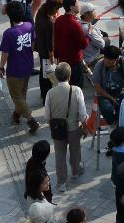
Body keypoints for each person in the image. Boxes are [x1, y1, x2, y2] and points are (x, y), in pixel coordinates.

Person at [43, 62, 87, 191]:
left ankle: (61, 182)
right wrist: (84, 125)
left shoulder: (50, 93)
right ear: (70, 75)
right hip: (74, 128)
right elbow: (83, 113)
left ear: (56, 76)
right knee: (75, 150)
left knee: (60, 154)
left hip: (58, 129)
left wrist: (51, 123)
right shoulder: (76, 90)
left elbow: (47, 115)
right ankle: (75, 171)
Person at [0, 0, 40, 133]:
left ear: (10, 16)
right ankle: (17, 114)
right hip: (28, 66)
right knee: (22, 93)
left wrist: (1, 67)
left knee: (16, 95)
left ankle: (30, 119)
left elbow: (5, 54)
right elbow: (32, 45)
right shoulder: (29, 26)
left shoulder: (9, 33)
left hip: (15, 70)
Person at [53, 0, 88, 88]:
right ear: (72, 7)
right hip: (75, 62)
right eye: (78, 3)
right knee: (76, 88)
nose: (80, 5)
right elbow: (83, 45)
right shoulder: (75, 24)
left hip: (62, 61)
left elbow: (56, 40)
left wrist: (56, 55)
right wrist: (88, 34)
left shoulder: (58, 20)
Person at [93, 45, 124, 124]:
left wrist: (122, 97)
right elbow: (97, 87)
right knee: (107, 109)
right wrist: (111, 98)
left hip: (121, 92)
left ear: (117, 59)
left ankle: (121, 123)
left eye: (110, 59)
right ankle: (112, 123)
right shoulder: (99, 65)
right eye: (105, 58)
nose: (106, 61)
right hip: (104, 93)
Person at [34, 0, 62, 102]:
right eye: (58, 8)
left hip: (40, 47)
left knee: (43, 73)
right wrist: (52, 58)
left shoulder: (41, 11)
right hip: (46, 53)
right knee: (47, 76)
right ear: (54, 8)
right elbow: (50, 43)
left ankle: (43, 93)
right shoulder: (49, 23)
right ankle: (46, 96)